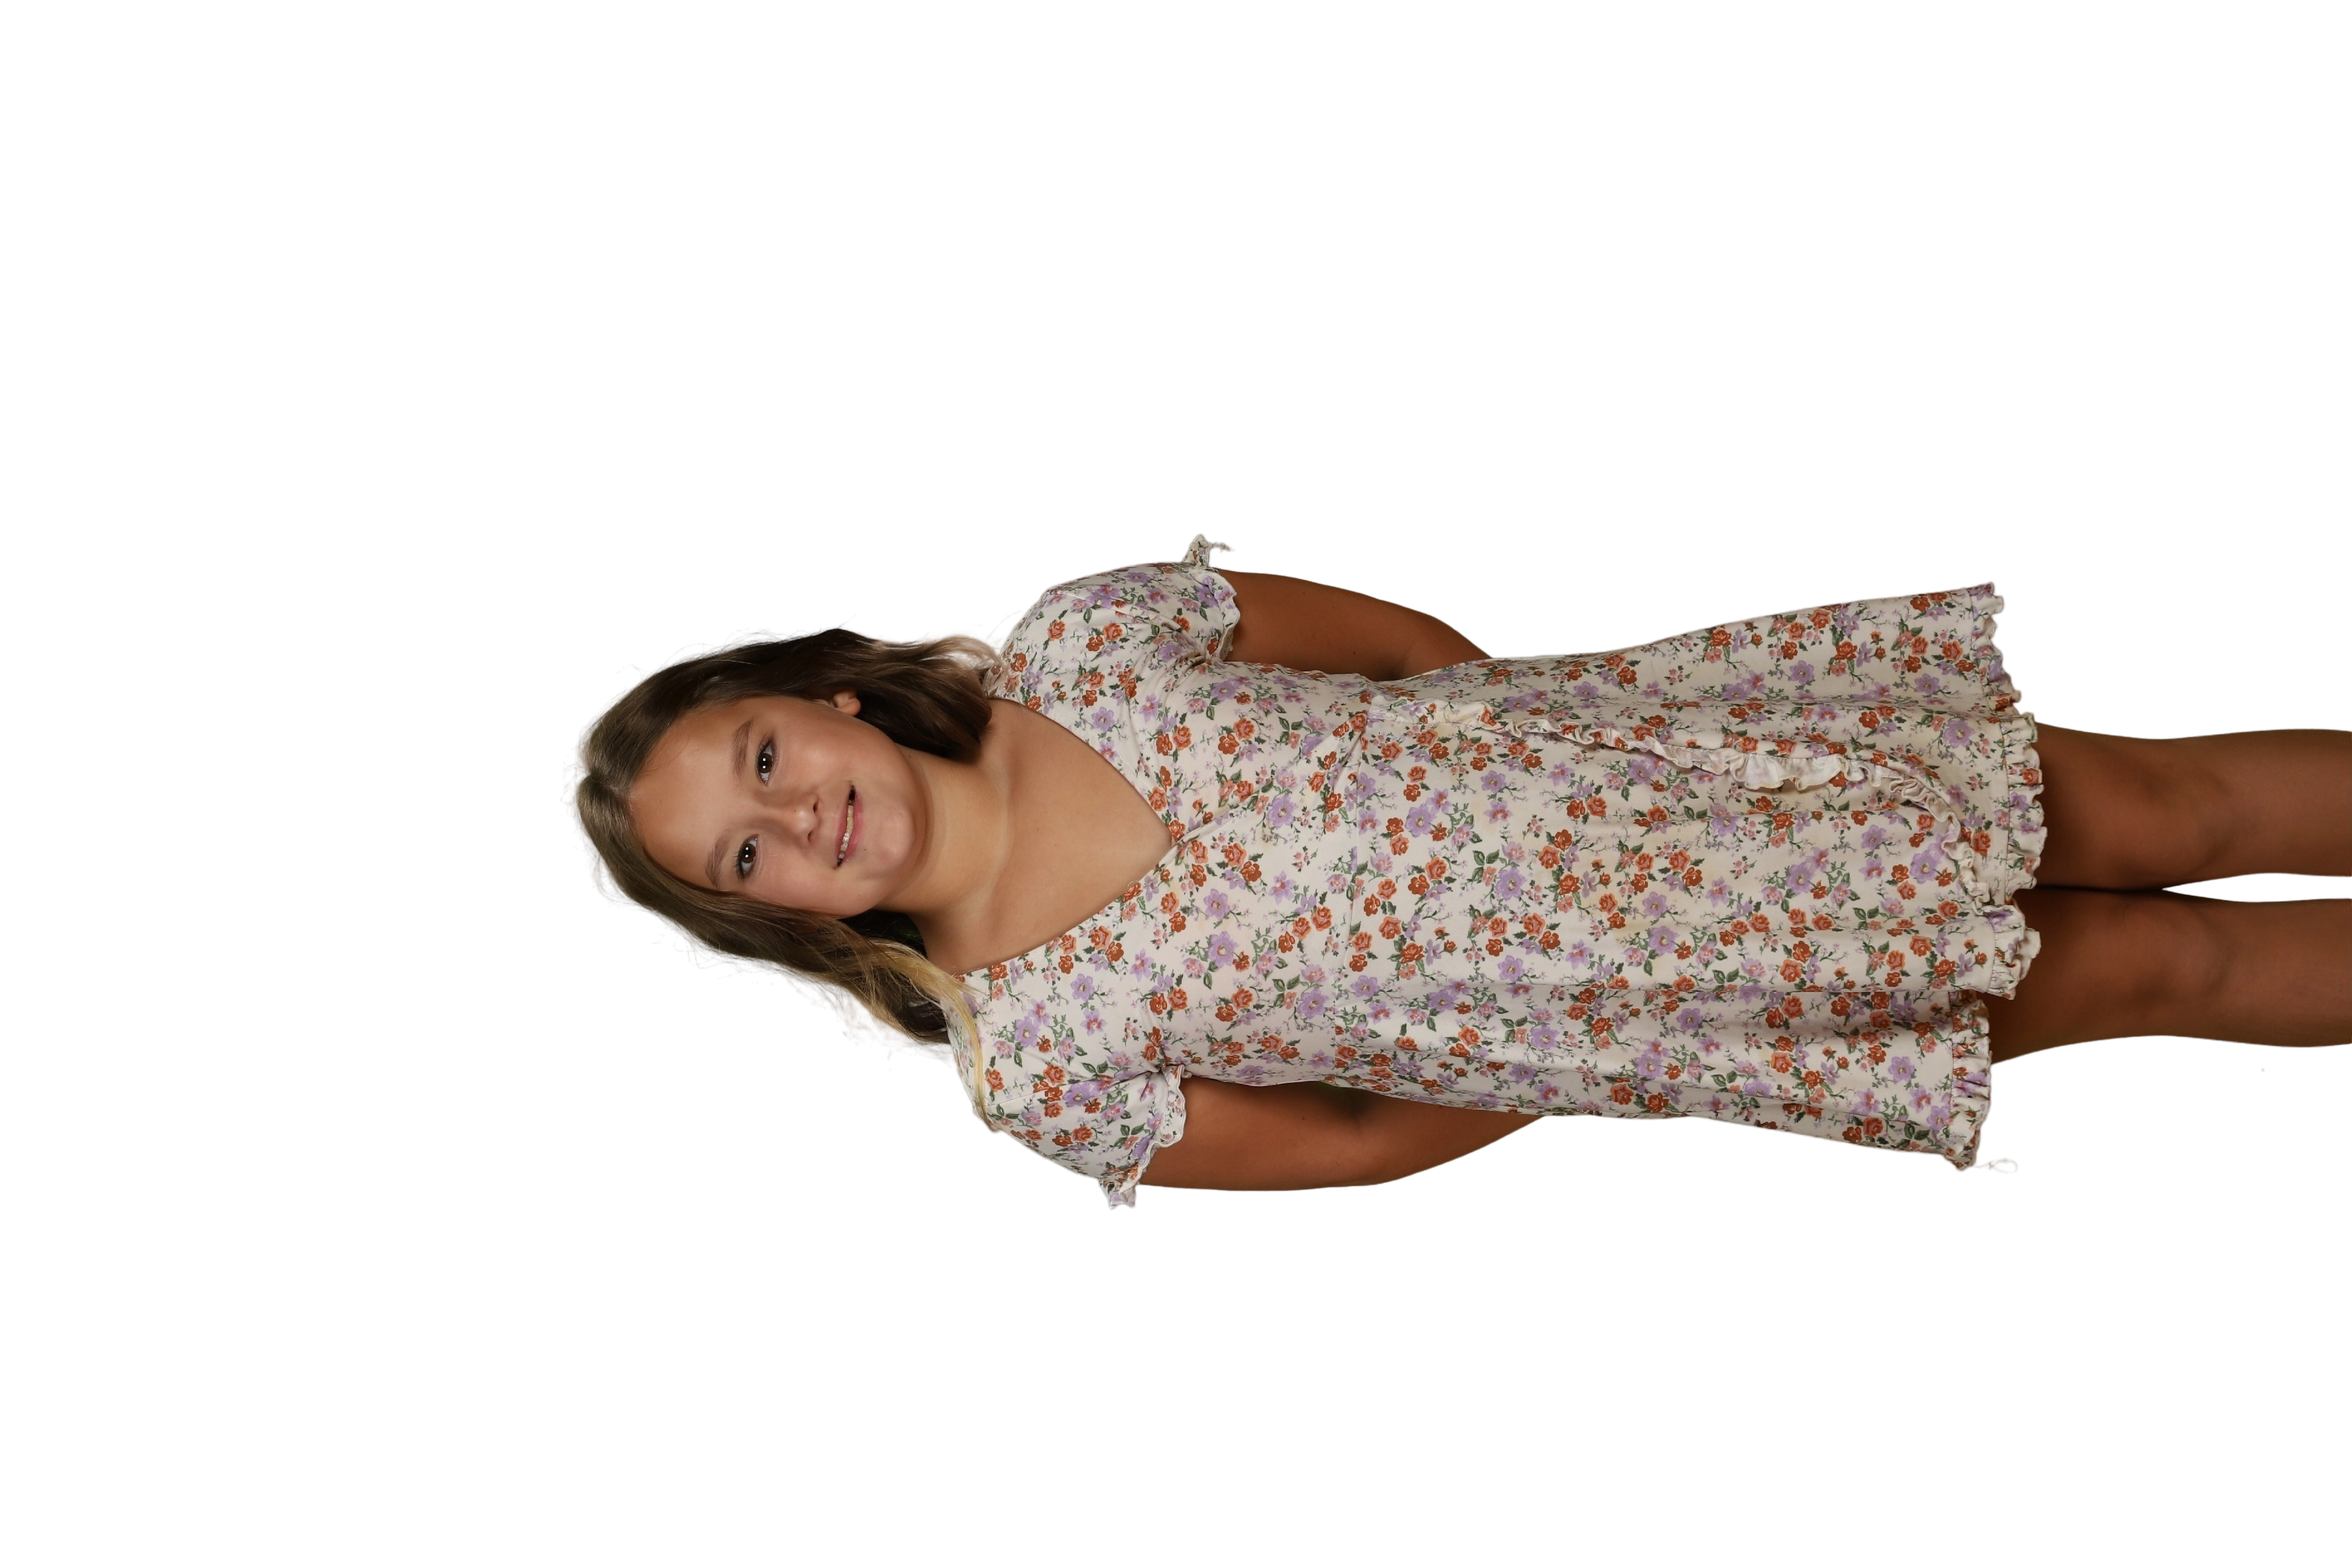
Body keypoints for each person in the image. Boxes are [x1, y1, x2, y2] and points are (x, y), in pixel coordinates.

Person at [559, 532, 2352, 1212]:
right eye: (747, 853)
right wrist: (1558, 1048)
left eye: (767, 760)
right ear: (769, 915)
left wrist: (1559, 761)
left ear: (827, 695)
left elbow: (1403, 656)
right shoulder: (1036, 1061)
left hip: (1712, 775)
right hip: (1698, 990)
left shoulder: (1085, 643)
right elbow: (1339, 1143)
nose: (800, 818)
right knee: (2161, 975)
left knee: (2166, 812)